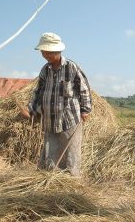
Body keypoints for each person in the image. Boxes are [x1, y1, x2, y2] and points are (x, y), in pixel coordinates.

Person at [19, 32, 92, 177]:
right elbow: (38, 92)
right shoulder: (45, 70)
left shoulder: (71, 67)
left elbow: (84, 89)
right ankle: (51, 185)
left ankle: (72, 186)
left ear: (57, 51)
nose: (45, 55)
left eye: (48, 52)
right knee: (50, 157)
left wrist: (85, 110)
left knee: (71, 157)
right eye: (43, 52)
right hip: (50, 122)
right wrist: (31, 109)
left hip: (69, 121)